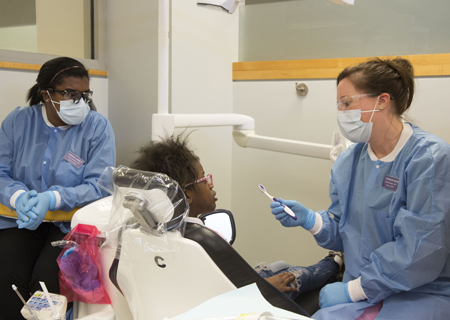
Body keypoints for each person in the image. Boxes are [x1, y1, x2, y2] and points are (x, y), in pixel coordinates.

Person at [270, 57, 450, 319]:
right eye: (338, 105)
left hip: (420, 292)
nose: (342, 113)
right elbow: (349, 233)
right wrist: (311, 221)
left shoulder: (429, 158)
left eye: (347, 103)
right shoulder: (348, 162)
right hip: (362, 288)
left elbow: (422, 250)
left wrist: (356, 289)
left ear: (382, 100)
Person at [130, 133, 342, 299]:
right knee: (295, 276)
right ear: (186, 194)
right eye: (204, 179)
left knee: (279, 265)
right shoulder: (199, 243)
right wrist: (267, 287)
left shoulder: (154, 231)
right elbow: (215, 299)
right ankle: (336, 263)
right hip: (245, 297)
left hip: (236, 284)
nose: (210, 183)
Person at [0, 57, 116, 319]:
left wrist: (51, 198)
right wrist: (18, 197)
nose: (80, 101)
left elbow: (101, 186)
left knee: (47, 283)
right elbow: (1, 173)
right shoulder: (18, 123)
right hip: (21, 221)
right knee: (8, 275)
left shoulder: (97, 127)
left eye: (85, 94)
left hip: (69, 226)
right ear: (46, 94)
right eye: (70, 94)